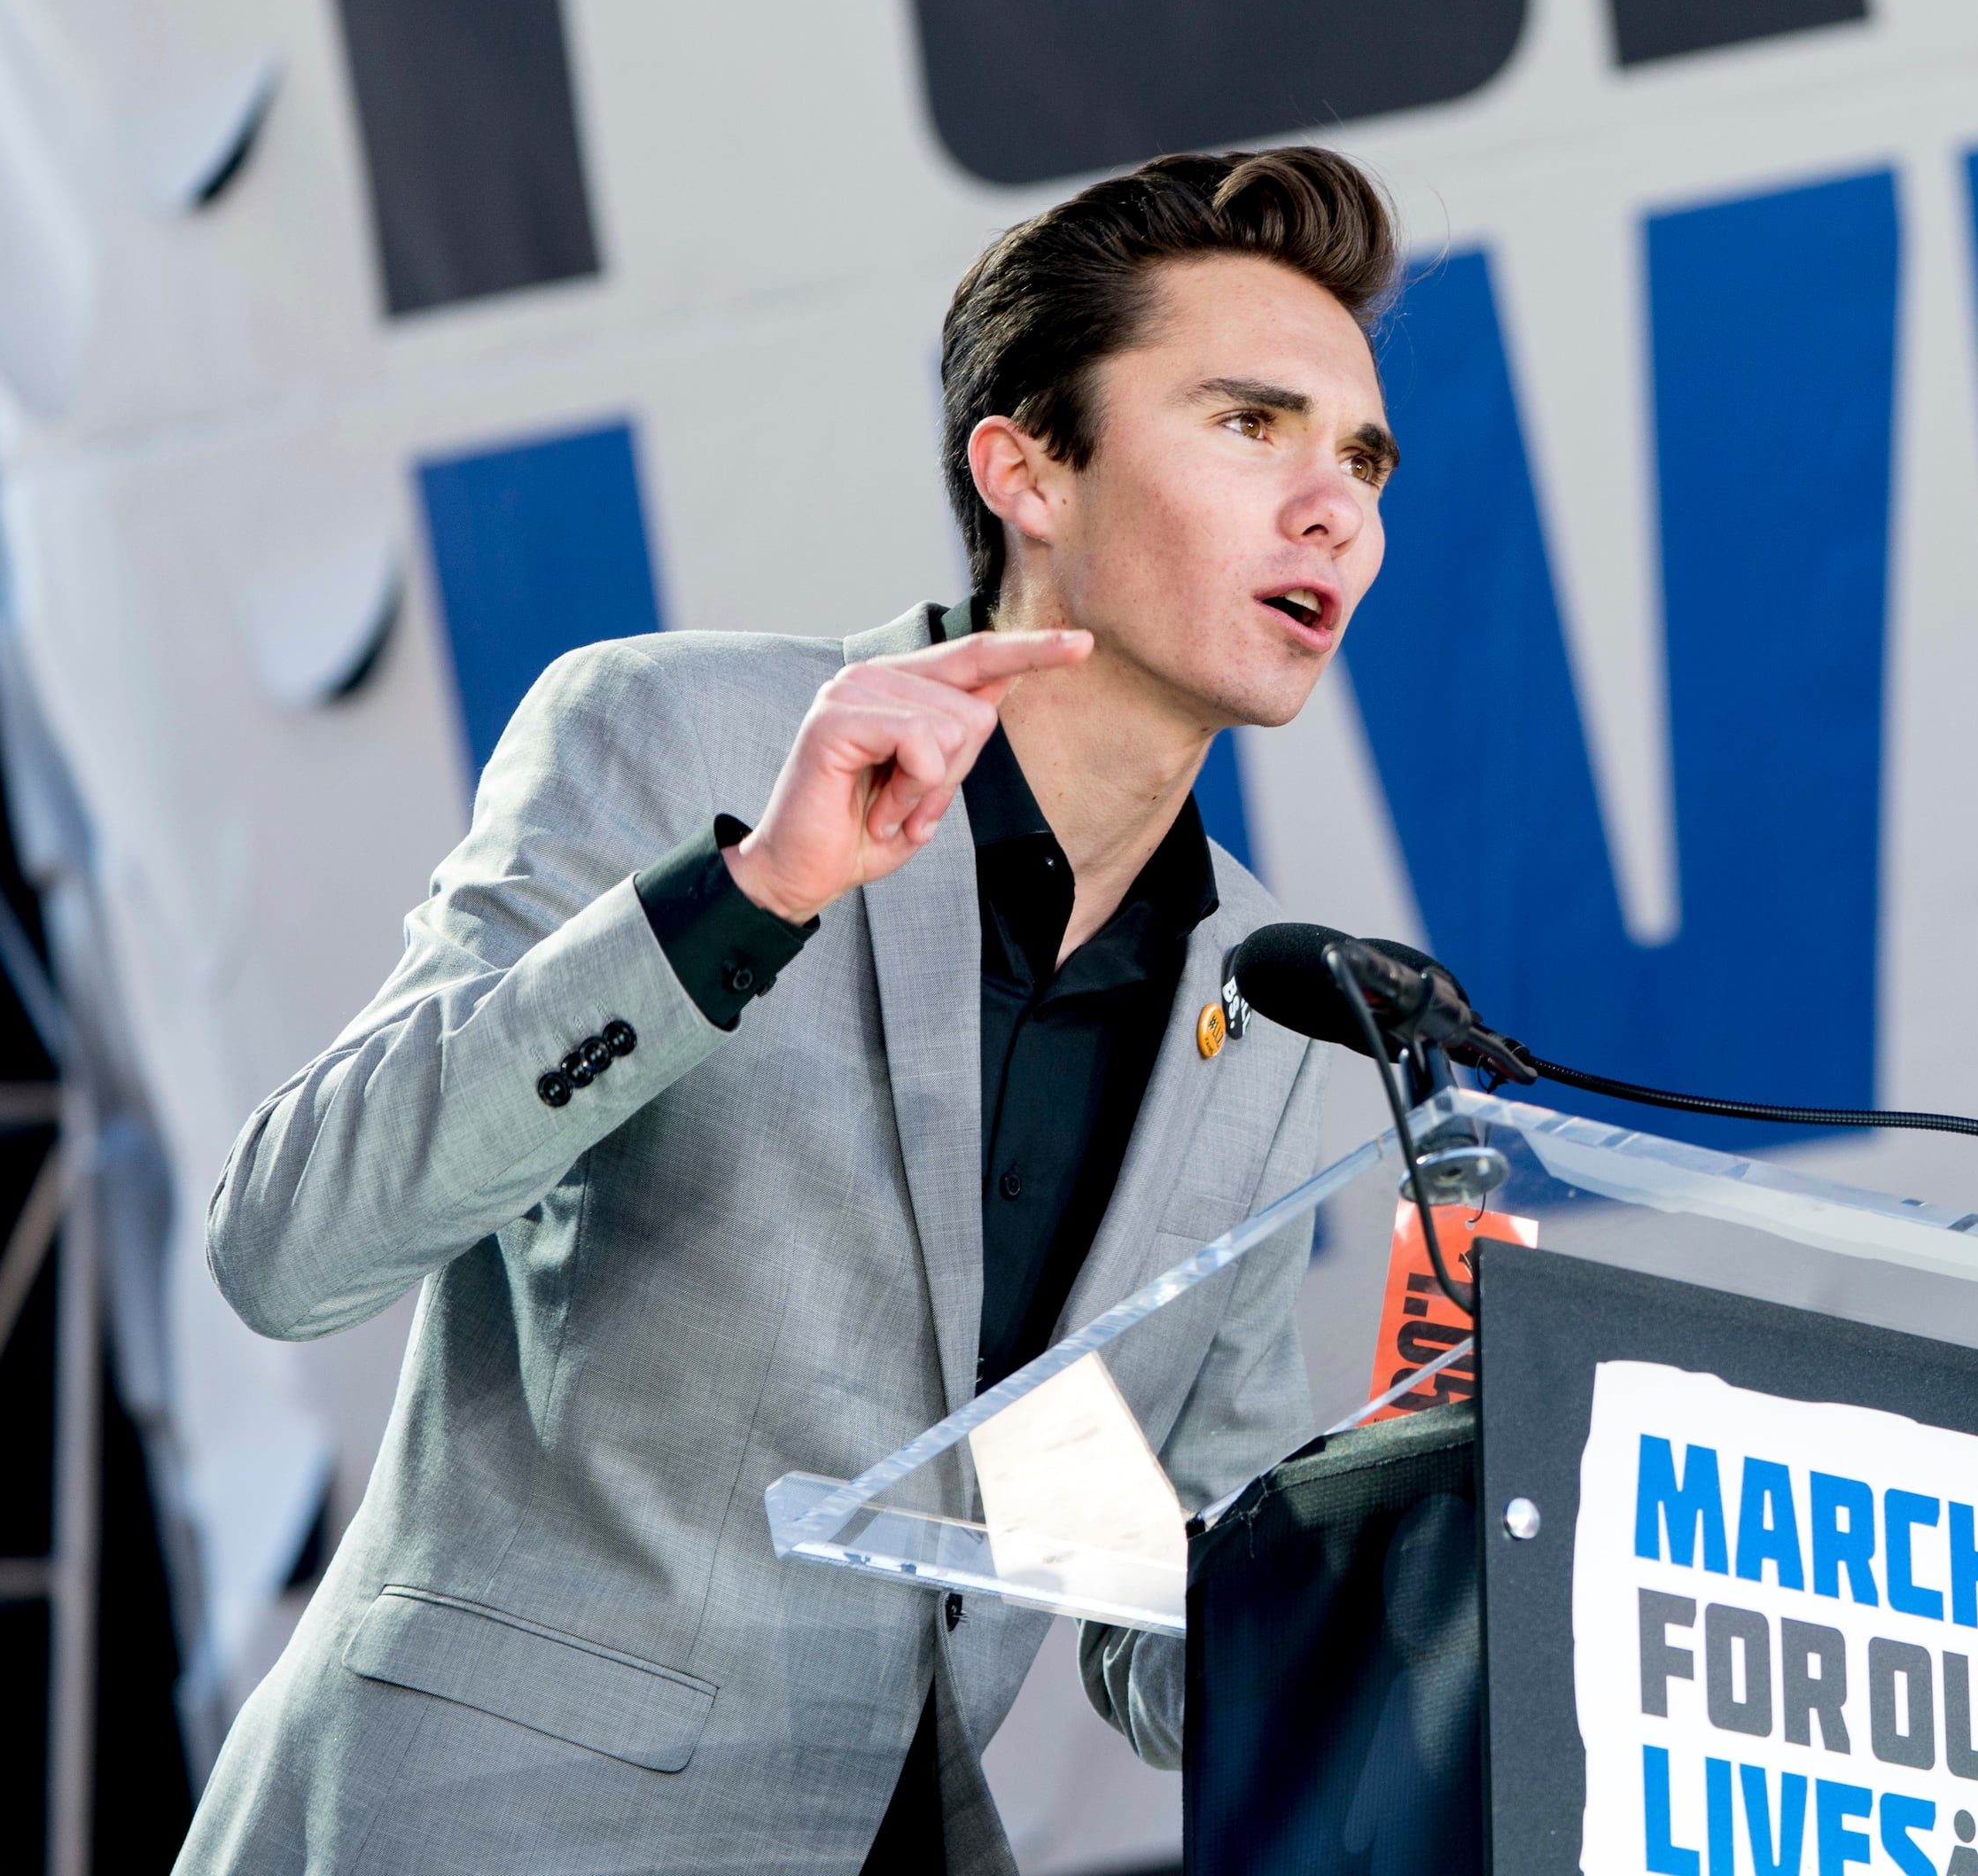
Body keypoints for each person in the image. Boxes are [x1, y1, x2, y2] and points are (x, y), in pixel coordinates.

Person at [175, 147, 1405, 1874]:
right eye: (1250, 424)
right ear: (1027, 467)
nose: (1334, 502)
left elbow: (1141, 1582)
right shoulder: (687, 736)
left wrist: (1431, 1563)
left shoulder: (1271, 1006)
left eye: (1361, 455)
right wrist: (741, 903)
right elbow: (292, 1243)